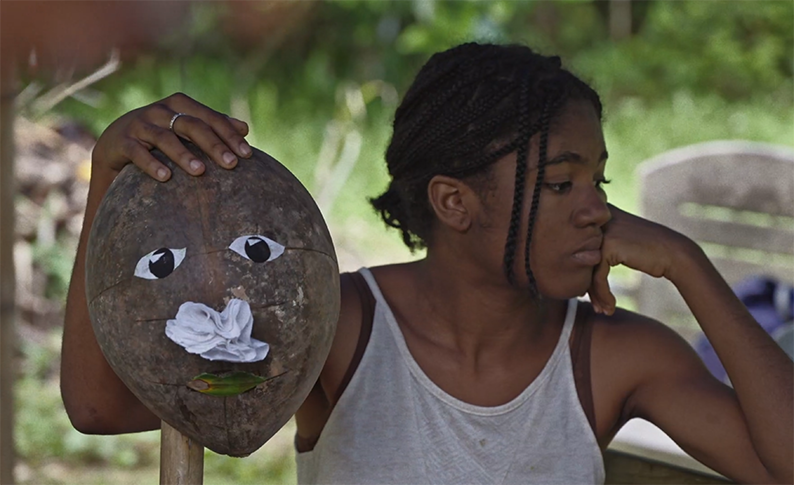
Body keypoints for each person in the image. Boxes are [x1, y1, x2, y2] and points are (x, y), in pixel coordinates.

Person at [60, 43, 794, 484]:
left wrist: (689, 265)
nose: (595, 208)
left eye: (598, 181)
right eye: (560, 182)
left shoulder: (613, 355)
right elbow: (102, 409)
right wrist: (108, 177)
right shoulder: (336, 329)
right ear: (453, 202)